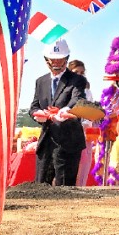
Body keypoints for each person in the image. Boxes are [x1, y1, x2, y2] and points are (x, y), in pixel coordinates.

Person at [28, 39, 88, 186]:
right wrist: (38, 115)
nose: (56, 63)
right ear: (46, 60)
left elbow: (77, 99)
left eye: (60, 59)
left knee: (65, 188)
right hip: (47, 141)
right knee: (41, 186)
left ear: (66, 59)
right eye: (52, 59)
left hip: (69, 141)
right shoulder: (40, 81)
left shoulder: (77, 80)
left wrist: (65, 111)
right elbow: (34, 106)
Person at [67, 59, 95, 187]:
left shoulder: (87, 90)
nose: (79, 74)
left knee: (83, 165)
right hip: (67, 132)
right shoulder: (64, 89)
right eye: (76, 71)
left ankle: (80, 190)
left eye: (82, 72)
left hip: (84, 133)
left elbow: (90, 112)